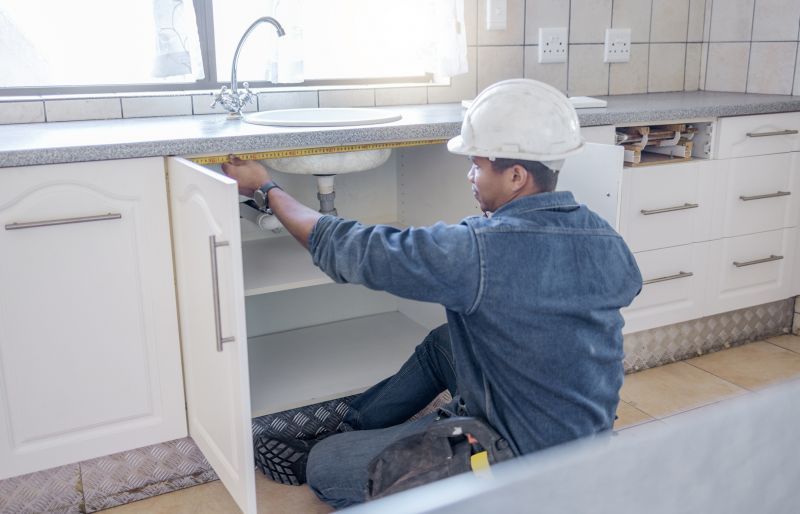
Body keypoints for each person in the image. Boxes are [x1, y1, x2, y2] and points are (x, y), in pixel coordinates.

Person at [221, 78, 642, 508]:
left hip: (524, 461)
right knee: (445, 343)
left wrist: (266, 190)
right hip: (584, 437)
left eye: (477, 164)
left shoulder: (481, 250)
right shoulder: (601, 233)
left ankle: (457, 471)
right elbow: (626, 283)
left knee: (326, 467)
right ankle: (356, 424)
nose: (469, 175)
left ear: (515, 175)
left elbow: (350, 248)